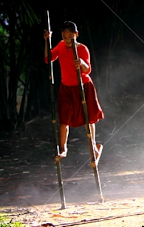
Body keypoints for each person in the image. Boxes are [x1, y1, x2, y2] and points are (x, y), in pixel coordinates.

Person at [44, 21, 104, 161]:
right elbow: (48, 59)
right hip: (66, 87)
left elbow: (87, 69)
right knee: (64, 120)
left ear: (76, 35)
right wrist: (47, 41)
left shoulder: (82, 48)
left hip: (83, 86)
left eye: (70, 37)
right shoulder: (60, 46)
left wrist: (81, 63)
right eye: (64, 37)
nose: (67, 40)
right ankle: (63, 149)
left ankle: (94, 147)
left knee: (88, 119)